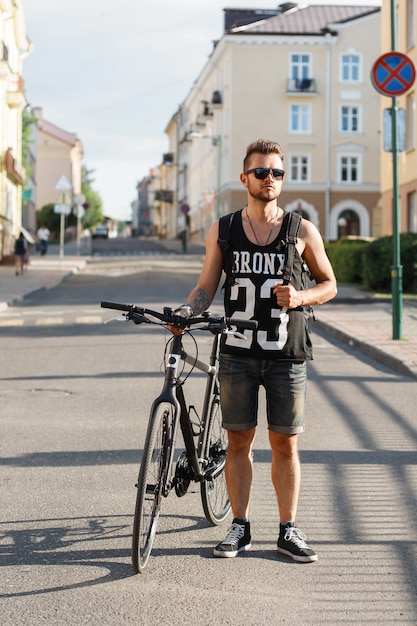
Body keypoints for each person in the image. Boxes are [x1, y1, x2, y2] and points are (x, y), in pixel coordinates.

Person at [174, 139, 337, 563]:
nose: (270, 179)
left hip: (287, 352)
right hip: (238, 352)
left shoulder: (301, 230)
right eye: (261, 172)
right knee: (238, 441)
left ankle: (288, 529)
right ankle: (240, 527)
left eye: (277, 173)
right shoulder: (224, 229)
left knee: (285, 444)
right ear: (244, 178)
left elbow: (329, 284)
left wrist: (300, 298)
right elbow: (207, 286)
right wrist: (187, 310)